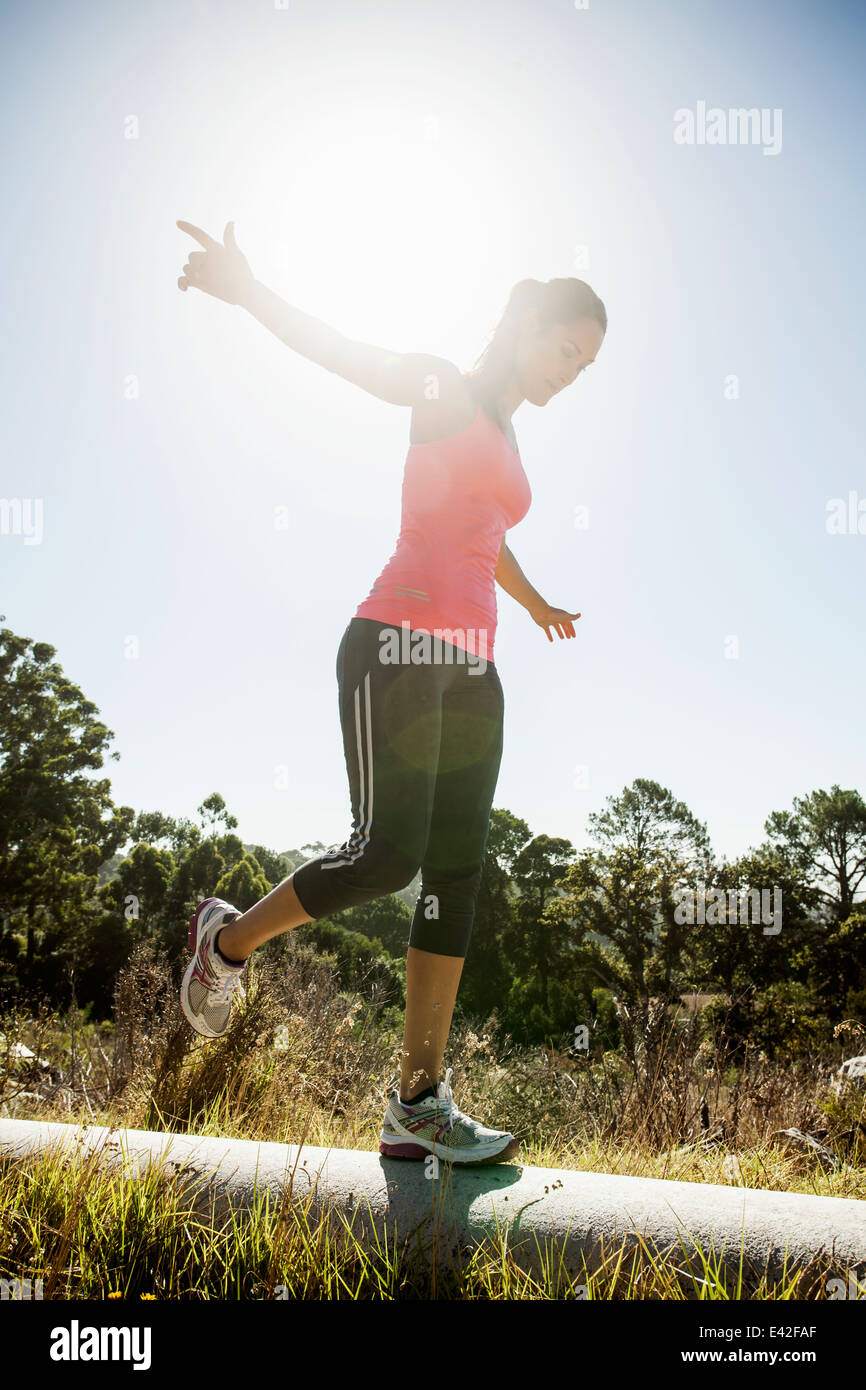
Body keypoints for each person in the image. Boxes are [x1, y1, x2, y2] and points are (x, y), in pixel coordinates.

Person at [175, 219, 607, 1164]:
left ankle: (416, 1101)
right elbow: (342, 355)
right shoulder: (443, 387)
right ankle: (228, 943)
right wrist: (248, 290)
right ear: (527, 323)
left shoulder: (504, 436)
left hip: (475, 671)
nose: (571, 373)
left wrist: (532, 604)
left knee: (456, 873)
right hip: (396, 645)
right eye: (566, 350)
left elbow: (490, 531)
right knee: (387, 855)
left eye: (585, 365)